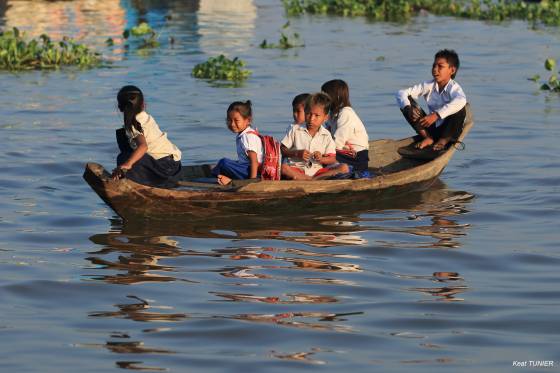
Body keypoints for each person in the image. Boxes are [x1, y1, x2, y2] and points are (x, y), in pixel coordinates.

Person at [396, 49, 467, 151]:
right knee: (407, 103)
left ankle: (443, 141)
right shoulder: (429, 85)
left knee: (460, 108)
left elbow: (461, 100)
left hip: (450, 131)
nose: (435, 69)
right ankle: (428, 137)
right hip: (432, 128)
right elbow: (401, 93)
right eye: (434, 65)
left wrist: (436, 115)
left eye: (440, 66)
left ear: (452, 70)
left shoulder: (454, 88)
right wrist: (408, 108)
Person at [112, 85, 182, 186]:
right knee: (127, 151)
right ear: (143, 105)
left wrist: (127, 164)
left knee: (123, 158)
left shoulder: (134, 125)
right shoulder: (144, 117)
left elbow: (143, 146)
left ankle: (135, 182)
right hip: (174, 164)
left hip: (167, 168)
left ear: (120, 108)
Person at [280, 92, 349, 180]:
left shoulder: (326, 135)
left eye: (317, 115)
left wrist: (321, 159)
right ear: (305, 112)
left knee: (344, 168)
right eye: (309, 113)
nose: (311, 119)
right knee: (284, 168)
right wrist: (297, 153)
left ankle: (311, 180)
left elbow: (333, 158)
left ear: (325, 118)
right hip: (297, 169)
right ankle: (311, 180)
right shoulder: (295, 129)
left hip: (317, 172)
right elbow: (282, 149)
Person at [320, 79, 370, 173]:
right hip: (343, 153)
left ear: (336, 96)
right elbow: (326, 135)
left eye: (325, 96)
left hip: (356, 157)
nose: (322, 101)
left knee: (322, 158)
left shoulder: (346, 113)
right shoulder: (332, 115)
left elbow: (338, 142)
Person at [211, 100, 263, 186]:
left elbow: (254, 161)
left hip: (253, 172)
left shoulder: (247, 137)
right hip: (247, 169)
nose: (232, 124)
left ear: (248, 120)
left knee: (224, 163)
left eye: (236, 120)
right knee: (224, 163)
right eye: (229, 120)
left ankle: (217, 177)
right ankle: (220, 176)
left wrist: (252, 181)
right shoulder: (245, 134)